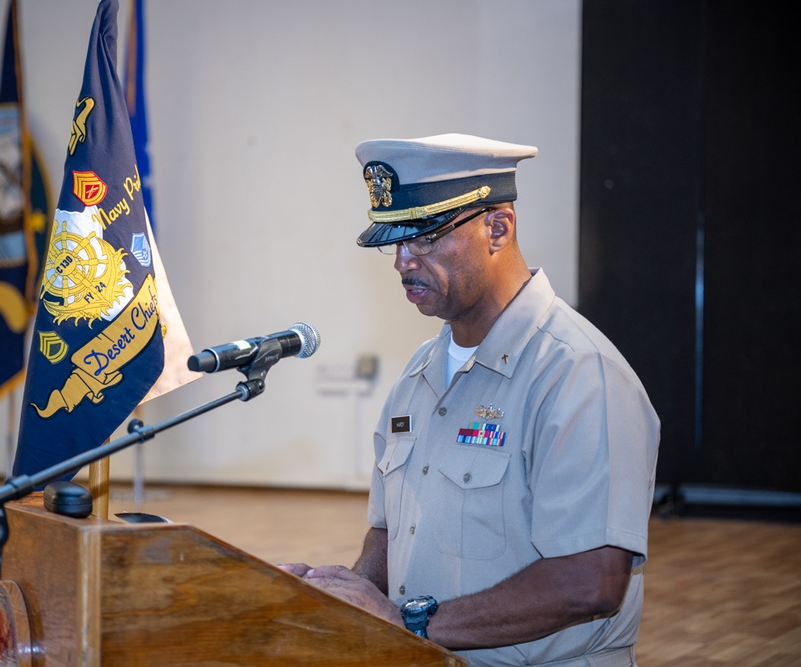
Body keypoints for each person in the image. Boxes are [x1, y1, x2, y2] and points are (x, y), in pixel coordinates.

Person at [279, 133, 660, 666]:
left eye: (426, 237)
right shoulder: (418, 374)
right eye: (395, 242)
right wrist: (348, 592)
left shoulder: (576, 373)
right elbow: (392, 532)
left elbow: (590, 581)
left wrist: (411, 623)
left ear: (498, 228)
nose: (403, 263)